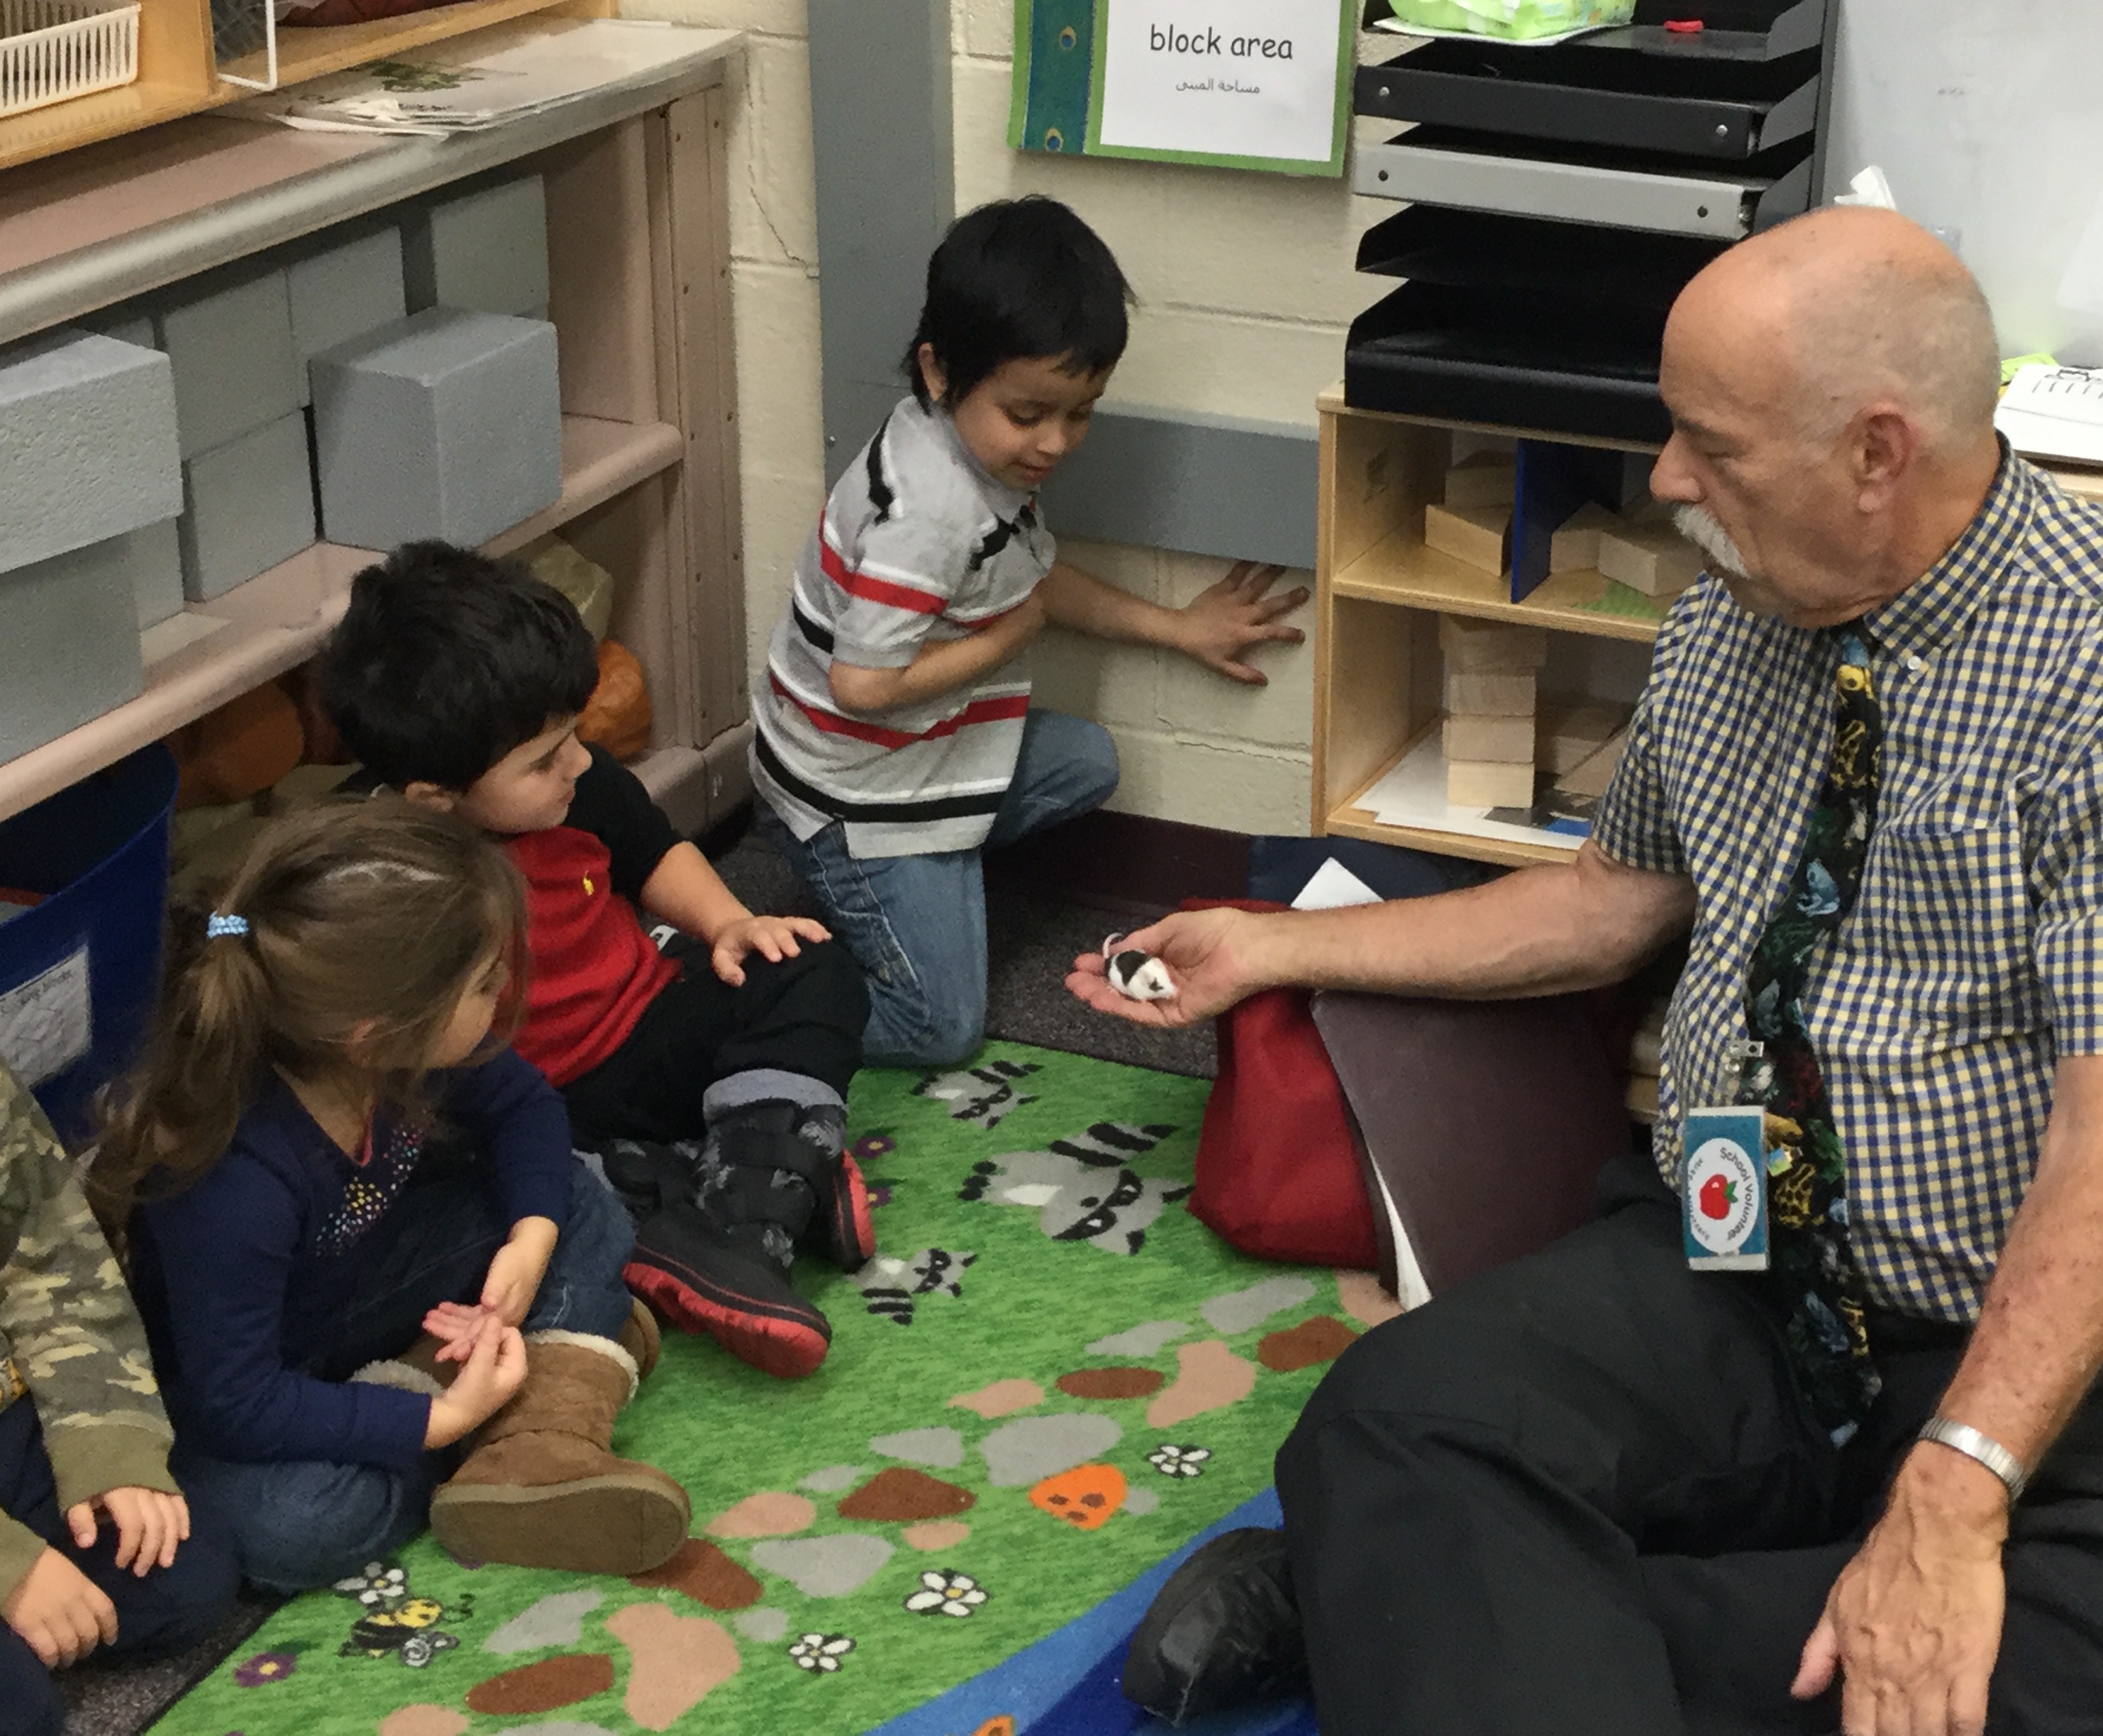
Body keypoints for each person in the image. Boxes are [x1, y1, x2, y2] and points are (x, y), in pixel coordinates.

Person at [1072, 206, 2103, 1736]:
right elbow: (1605, 903)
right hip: (1739, 1261)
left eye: (1711, 443)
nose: (1666, 480)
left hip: (2036, 1331)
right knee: (1391, 1418)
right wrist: (1272, 943)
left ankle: (1441, 1611)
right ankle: (1538, 1602)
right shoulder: (1726, 620)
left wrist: (1958, 1491)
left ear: (1876, 451)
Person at [749, 194, 1309, 1068]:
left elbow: (1032, 583)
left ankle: (920, 886)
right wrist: (1013, 639)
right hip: (853, 799)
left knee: (1088, 761)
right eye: (1028, 414)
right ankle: (735, 1003)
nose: (1055, 443)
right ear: (940, 371)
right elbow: (863, 686)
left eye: (1079, 412)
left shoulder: (962, 446)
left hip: (916, 755)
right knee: (941, 1028)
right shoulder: (928, 515)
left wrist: (1179, 629)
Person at [96, 802, 689, 1591]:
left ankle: (531, 1436)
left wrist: (530, 1242)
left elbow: (525, 1108)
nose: (502, 994)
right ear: (376, 1035)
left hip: (351, 1294)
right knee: (298, 1529)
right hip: (245, 1386)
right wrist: (442, 1420)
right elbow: (236, 1404)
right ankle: (538, 1373)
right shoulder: (235, 1183)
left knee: (574, 1200)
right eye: (485, 985)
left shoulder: (404, 1045)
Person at [316, 545, 873, 1377]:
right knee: (452, 1176)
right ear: (433, 800)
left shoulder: (580, 783)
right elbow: (261, 940)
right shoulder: (365, 856)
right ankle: (764, 1169)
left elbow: (654, 853)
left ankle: (738, 1225)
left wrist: (728, 922)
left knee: (809, 963)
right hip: (518, 1105)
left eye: (573, 735)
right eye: (545, 759)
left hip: (644, 1028)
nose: (578, 762)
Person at [0, 1052, 237, 1736]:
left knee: (188, 1571)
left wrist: (105, 1447)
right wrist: (7, 1567)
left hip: (3, 1421)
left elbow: (49, 1262)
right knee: (17, 1711)